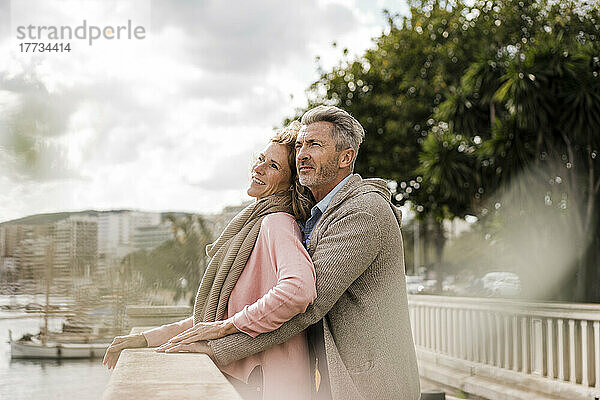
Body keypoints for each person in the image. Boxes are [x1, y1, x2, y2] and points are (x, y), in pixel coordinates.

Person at [203, 105, 421, 400]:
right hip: (337, 381)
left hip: (373, 387)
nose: (302, 154)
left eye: (315, 145)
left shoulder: (364, 212)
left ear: (346, 157)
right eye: (300, 145)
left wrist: (219, 344)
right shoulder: (317, 216)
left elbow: (308, 304)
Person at [103, 121, 318, 400]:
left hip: (268, 383)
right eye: (261, 159)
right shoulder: (255, 227)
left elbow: (298, 290)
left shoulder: (277, 224)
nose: (259, 168)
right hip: (254, 379)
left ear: (291, 184)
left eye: (274, 166)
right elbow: (216, 315)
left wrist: (225, 327)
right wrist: (145, 338)